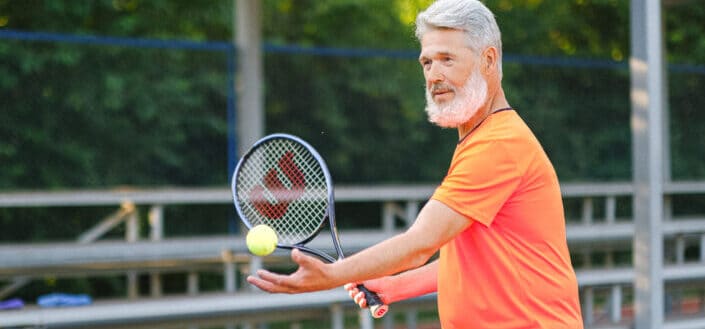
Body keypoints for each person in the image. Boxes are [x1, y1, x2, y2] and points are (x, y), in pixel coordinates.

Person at [247, 0, 584, 327]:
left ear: (488, 60)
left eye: (447, 59)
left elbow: (419, 244)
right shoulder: (484, 139)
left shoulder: (498, 145)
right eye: (427, 62)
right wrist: (396, 285)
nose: (434, 75)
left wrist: (332, 275)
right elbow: (480, 261)